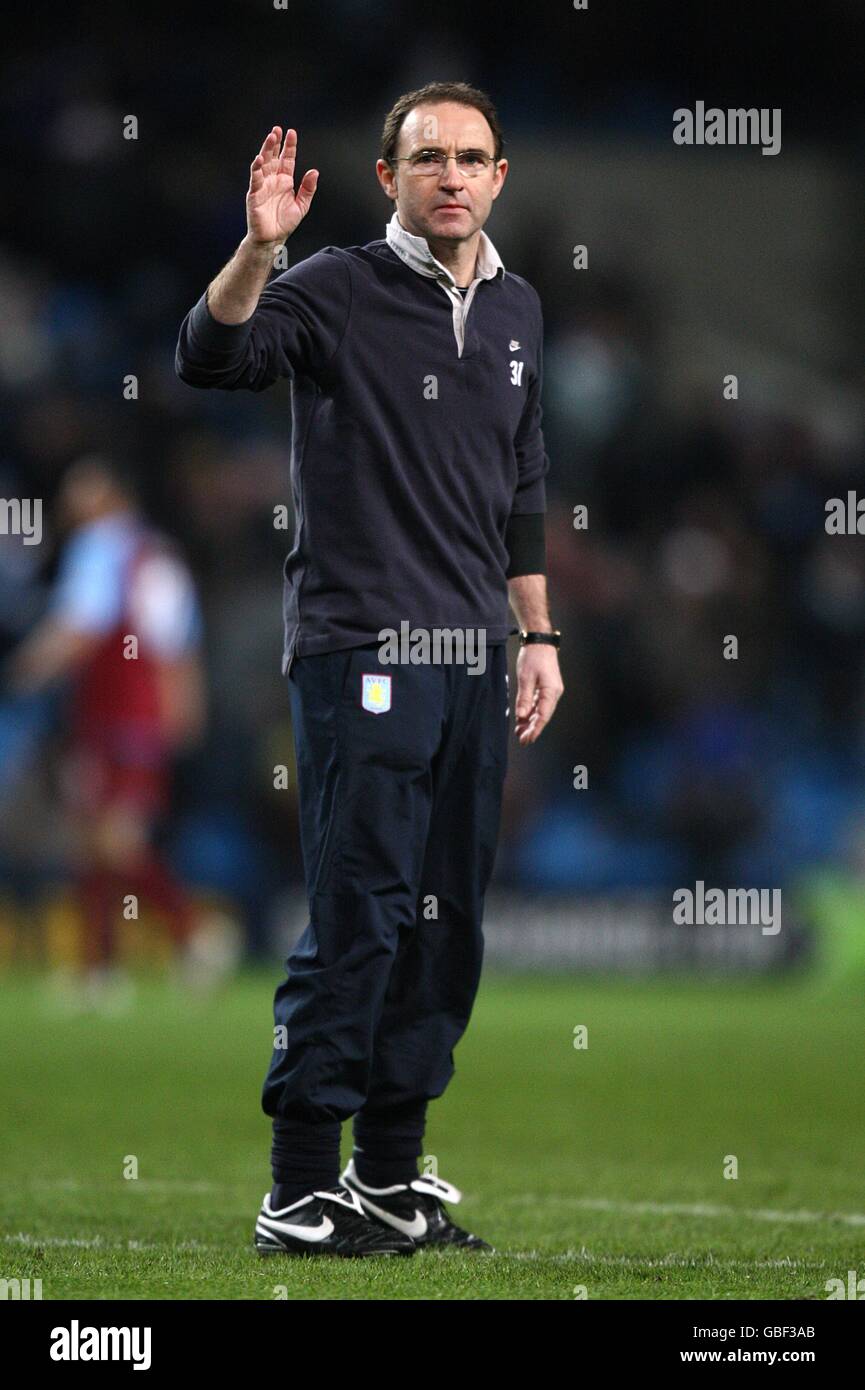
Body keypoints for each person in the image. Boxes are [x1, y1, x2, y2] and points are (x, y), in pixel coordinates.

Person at [175, 81, 564, 1258]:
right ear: (387, 176)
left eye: (473, 156)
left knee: (444, 924)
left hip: (473, 656)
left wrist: (536, 633)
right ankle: (299, 1187)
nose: (451, 174)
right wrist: (256, 248)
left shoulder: (519, 310)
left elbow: (526, 484)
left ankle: (390, 1180)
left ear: (500, 177)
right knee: (363, 910)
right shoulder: (333, 285)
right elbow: (209, 356)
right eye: (427, 156)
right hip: (364, 650)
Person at [6, 454, 211, 1003]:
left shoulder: (98, 547)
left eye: (83, 495)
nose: (73, 507)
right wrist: (183, 706)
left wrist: (23, 670)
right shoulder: (157, 553)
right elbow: (177, 640)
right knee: (97, 841)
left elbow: (80, 627)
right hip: (137, 715)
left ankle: (189, 935)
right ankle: (102, 966)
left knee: (110, 840)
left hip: (110, 712)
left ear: (111, 497)